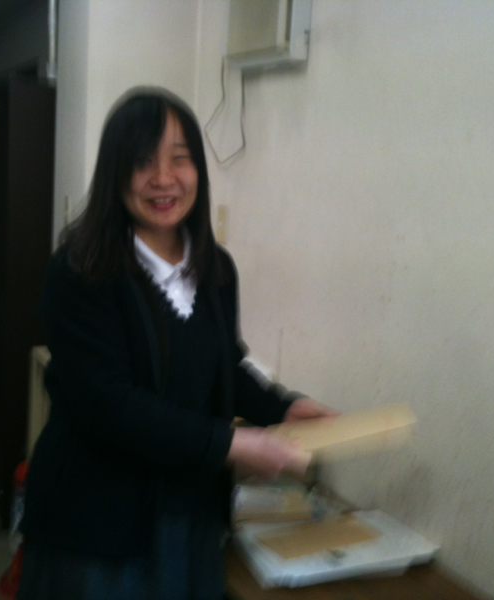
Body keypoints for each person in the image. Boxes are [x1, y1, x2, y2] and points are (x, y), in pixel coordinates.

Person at [17, 87, 337, 600]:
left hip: (191, 513)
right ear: (115, 173)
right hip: (98, 527)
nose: (163, 179)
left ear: (198, 171)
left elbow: (223, 367)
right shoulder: (80, 271)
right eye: (142, 161)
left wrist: (282, 407)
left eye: (179, 159)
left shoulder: (214, 268)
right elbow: (109, 404)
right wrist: (229, 445)